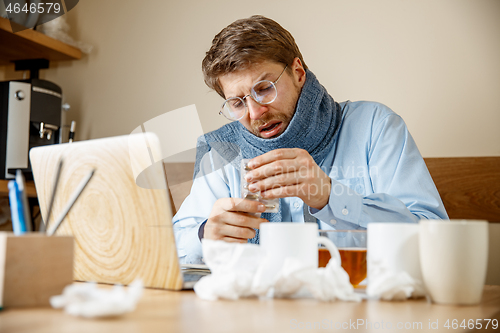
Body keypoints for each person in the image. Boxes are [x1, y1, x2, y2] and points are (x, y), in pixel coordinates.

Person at [173, 15, 447, 264]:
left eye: (264, 88)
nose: (256, 112)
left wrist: (330, 196)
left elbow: (434, 240)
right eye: (237, 102)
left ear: (298, 73)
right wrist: (205, 233)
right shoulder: (222, 153)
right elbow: (172, 247)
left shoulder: (375, 127)